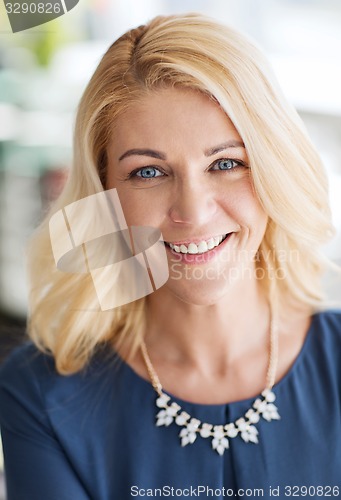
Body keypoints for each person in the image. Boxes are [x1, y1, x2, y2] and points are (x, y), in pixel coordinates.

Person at [0, 13, 340, 500]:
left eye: (226, 163)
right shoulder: (41, 395)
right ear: (104, 193)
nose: (193, 213)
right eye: (148, 172)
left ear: (274, 167)